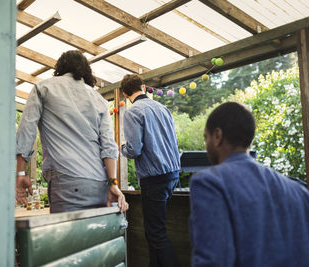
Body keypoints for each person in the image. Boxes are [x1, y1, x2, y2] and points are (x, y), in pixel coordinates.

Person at [189, 102, 309, 267]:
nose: (206, 144)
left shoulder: (210, 183)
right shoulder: (299, 191)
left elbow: (213, 261)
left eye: (206, 137)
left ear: (217, 136)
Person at [15, 50, 128, 214]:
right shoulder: (99, 100)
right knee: (97, 238)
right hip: (99, 184)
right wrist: (113, 183)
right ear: (86, 72)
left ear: (60, 68)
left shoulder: (43, 88)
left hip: (66, 181)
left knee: (68, 239)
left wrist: (20, 172)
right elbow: (109, 146)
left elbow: (26, 130)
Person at [120, 74, 181, 267]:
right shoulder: (163, 108)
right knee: (155, 232)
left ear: (124, 94)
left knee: (155, 234)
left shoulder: (132, 112)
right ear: (144, 87)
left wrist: (119, 148)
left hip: (154, 178)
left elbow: (134, 149)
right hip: (173, 174)